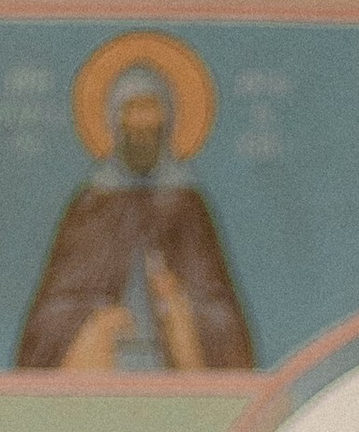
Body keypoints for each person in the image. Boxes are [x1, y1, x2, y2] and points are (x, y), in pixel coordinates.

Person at [14, 60, 256, 371]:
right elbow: (53, 310)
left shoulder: (187, 205)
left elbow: (221, 309)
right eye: (132, 109)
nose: (141, 121)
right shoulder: (93, 203)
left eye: (150, 108)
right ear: (115, 119)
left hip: (172, 365)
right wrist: (94, 320)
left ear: (167, 118)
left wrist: (181, 307)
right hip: (103, 361)